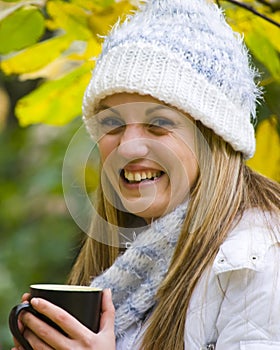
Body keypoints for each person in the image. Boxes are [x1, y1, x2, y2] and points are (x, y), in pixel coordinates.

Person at [12, 0, 280, 349]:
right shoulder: (126, 256)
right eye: (112, 123)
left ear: (214, 137)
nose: (128, 148)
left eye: (158, 124)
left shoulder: (256, 260)